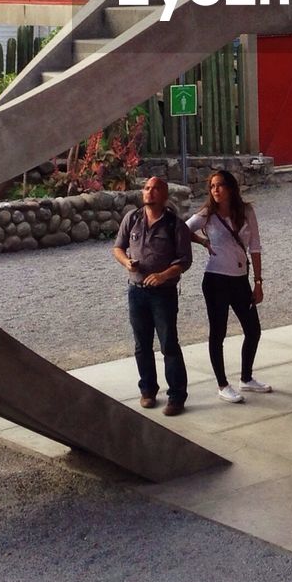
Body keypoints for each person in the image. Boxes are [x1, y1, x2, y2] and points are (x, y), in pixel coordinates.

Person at [187, 169, 272, 403]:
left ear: (231, 188)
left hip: (240, 279)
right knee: (218, 332)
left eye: (220, 185)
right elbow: (182, 229)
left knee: (253, 329)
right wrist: (202, 240)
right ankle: (222, 384)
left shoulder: (246, 212)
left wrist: (258, 281)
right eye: (212, 186)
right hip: (215, 279)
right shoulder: (207, 215)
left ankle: (246, 377)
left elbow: (255, 246)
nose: (215, 190)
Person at [113, 175, 192, 416]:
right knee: (141, 345)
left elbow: (185, 260)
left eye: (156, 188)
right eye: (147, 188)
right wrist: (127, 262)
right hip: (136, 292)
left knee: (169, 345)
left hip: (163, 294)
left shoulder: (174, 225)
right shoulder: (132, 218)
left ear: (165, 195)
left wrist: (164, 275)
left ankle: (176, 396)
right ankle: (148, 390)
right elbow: (118, 247)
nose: (150, 192)